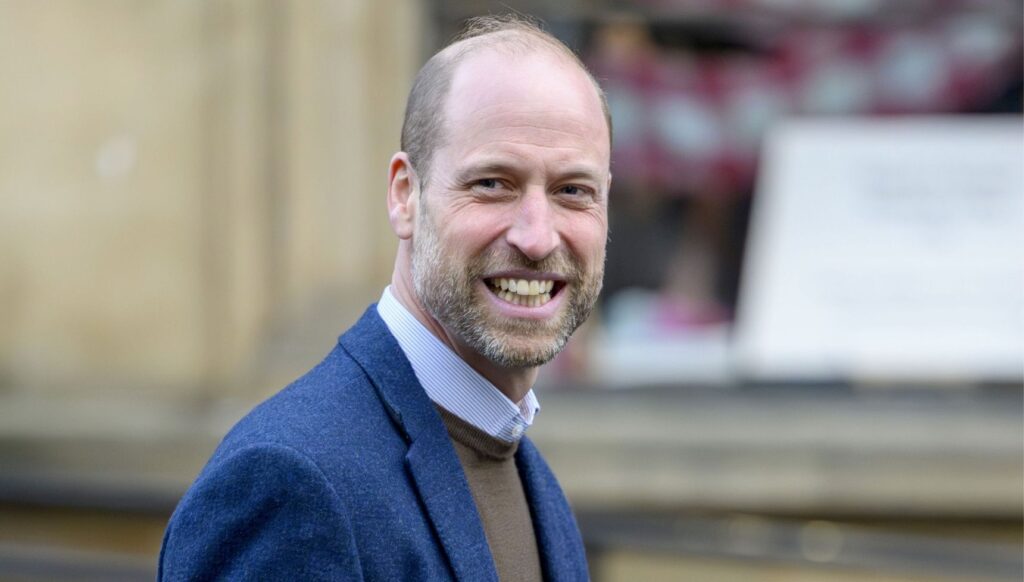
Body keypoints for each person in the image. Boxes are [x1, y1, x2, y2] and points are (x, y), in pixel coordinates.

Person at [159, 14, 611, 582]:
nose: (537, 235)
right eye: (492, 183)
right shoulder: (293, 480)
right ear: (405, 196)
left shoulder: (528, 475)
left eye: (574, 191)